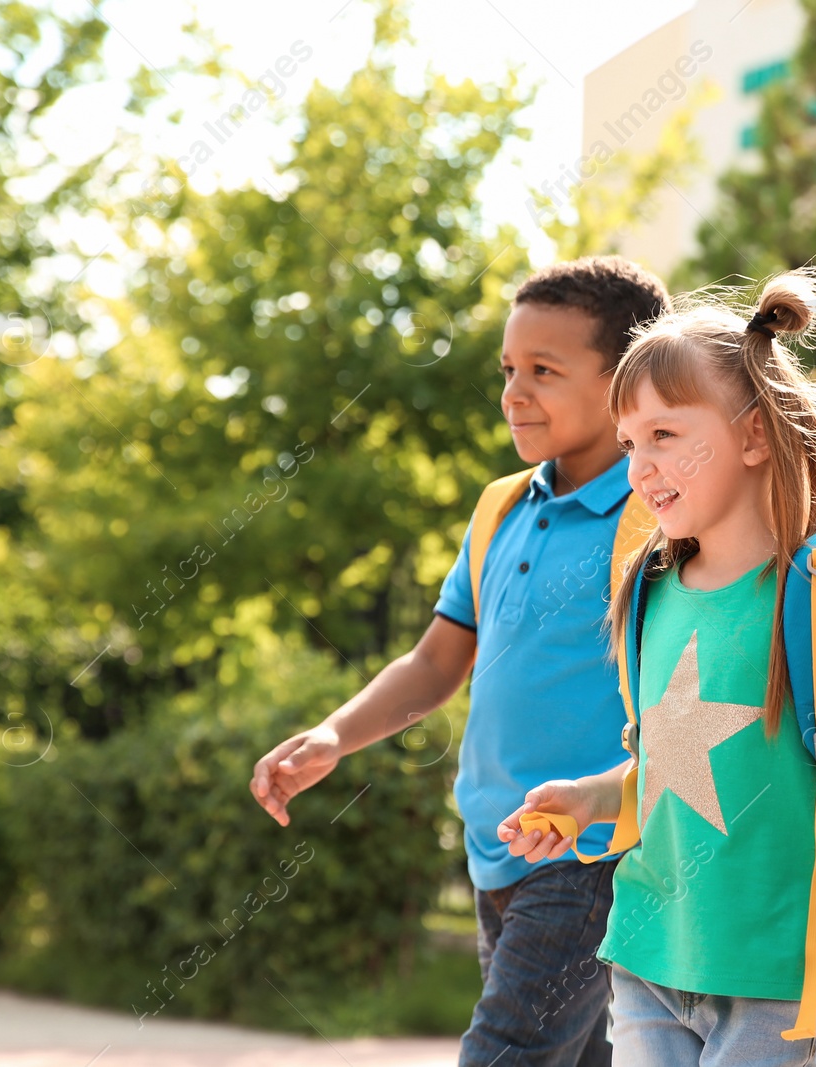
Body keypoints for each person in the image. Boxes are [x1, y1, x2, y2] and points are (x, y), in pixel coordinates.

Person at [250, 255, 670, 1067]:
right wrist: (335, 735)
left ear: (624, 382)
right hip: (494, 842)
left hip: (591, 850)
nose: (515, 391)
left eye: (544, 371)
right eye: (510, 368)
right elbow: (437, 659)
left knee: (503, 1053)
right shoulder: (502, 506)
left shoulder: (658, 511)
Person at [496, 272, 816, 1067]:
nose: (639, 467)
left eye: (664, 435)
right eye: (629, 443)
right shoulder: (647, 591)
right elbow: (669, 765)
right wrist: (590, 798)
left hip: (779, 978)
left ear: (755, 435)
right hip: (648, 958)